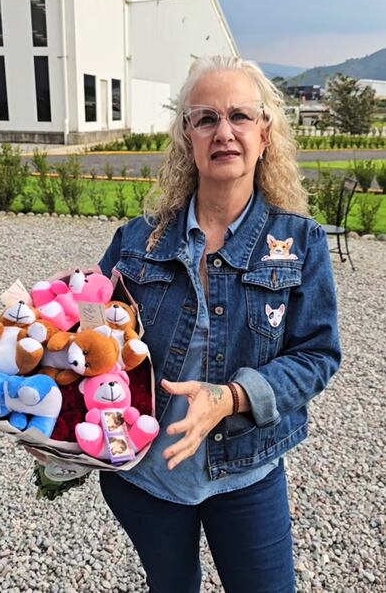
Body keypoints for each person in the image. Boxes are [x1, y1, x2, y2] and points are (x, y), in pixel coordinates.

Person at [98, 55, 341, 593]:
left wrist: (230, 398)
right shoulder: (137, 239)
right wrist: (55, 415)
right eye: (206, 118)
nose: (224, 132)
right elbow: (94, 344)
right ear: (187, 136)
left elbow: (317, 354)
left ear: (265, 133)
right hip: (148, 474)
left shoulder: (301, 242)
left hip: (247, 473)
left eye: (240, 116)